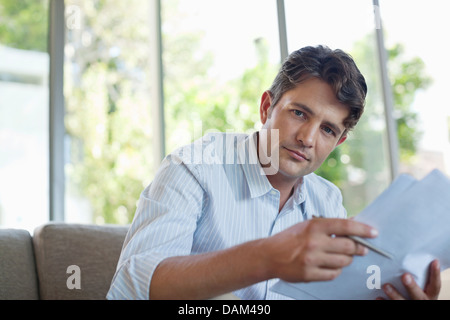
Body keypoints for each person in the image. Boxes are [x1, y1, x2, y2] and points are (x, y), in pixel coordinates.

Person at [107, 45, 441, 300]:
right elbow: (131, 285)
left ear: (339, 141)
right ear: (267, 107)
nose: (307, 138)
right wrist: (268, 257)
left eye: (327, 130)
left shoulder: (328, 201)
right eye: (299, 113)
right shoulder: (193, 168)